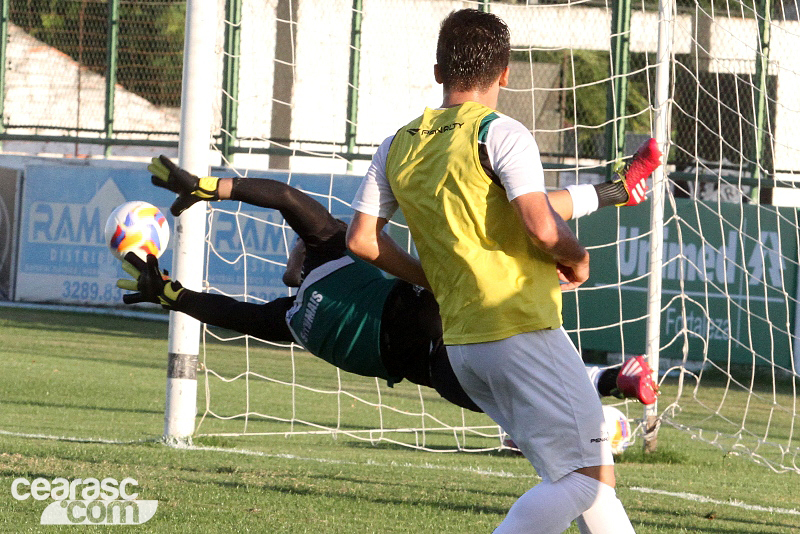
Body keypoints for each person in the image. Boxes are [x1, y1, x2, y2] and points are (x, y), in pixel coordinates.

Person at [345, 9, 660, 533]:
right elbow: (541, 226)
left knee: (580, 475)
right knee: (587, 480)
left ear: (439, 70)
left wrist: (430, 278)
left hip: (463, 347)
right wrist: (579, 259)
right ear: (506, 73)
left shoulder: (396, 144)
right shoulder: (500, 132)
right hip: (520, 330)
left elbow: (361, 239)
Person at [117, 151, 659, 417]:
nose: (296, 242)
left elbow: (283, 198)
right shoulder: (288, 319)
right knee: (531, 400)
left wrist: (210, 187)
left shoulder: (331, 247)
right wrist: (171, 295)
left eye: (299, 239)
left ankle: (613, 192)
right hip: (440, 369)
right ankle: (614, 379)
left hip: (435, 314)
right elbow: (231, 314)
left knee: (503, 220)